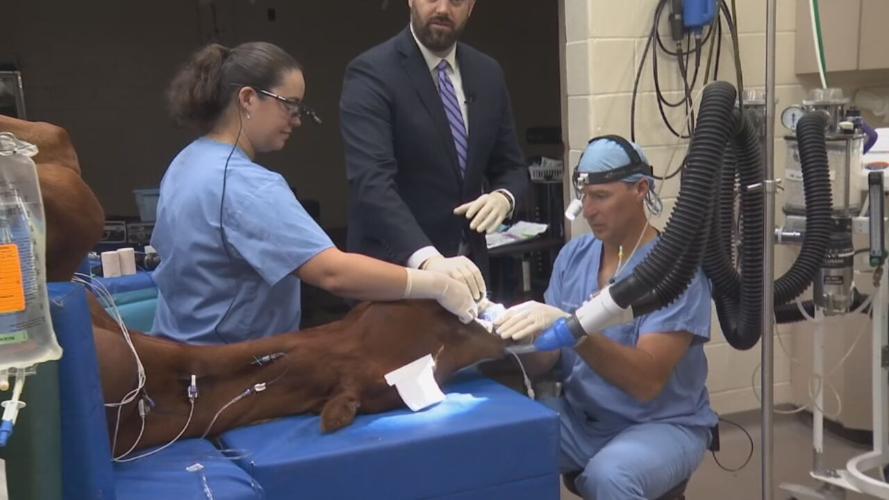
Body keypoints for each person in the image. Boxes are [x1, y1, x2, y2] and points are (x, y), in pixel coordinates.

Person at [150, 41, 477, 345]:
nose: (296, 121)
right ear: (248, 99)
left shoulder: (185, 163)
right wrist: (435, 282)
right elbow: (333, 273)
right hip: (230, 370)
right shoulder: (246, 186)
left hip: (175, 360)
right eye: (289, 106)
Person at [493, 136, 717, 500]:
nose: (589, 210)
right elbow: (548, 360)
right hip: (583, 420)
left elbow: (646, 382)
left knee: (610, 478)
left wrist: (573, 329)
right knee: (503, 445)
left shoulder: (677, 273)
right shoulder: (575, 256)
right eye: (584, 197)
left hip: (661, 425)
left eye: (601, 196)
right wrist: (521, 338)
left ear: (640, 189)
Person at [340, 0, 529, 302]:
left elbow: (512, 167)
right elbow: (371, 182)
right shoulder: (372, 73)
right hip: (395, 276)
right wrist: (428, 260)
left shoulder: (487, 73)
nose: (443, 9)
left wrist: (504, 197)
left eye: (456, 1)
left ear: (471, 7)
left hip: (469, 272)